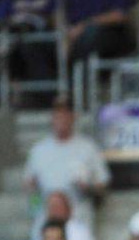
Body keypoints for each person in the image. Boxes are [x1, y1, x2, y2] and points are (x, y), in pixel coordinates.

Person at [23, 97, 111, 232]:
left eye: (65, 115)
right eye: (57, 115)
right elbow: (30, 188)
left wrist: (88, 188)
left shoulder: (88, 147)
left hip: (79, 217)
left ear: (73, 117)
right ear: (52, 118)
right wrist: (35, 202)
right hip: (47, 220)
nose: (61, 120)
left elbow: (102, 183)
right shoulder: (39, 150)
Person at [66, 0, 132, 63]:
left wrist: (85, 25)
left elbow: (120, 15)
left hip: (111, 32)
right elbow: (59, 13)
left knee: (89, 34)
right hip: (73, 35)